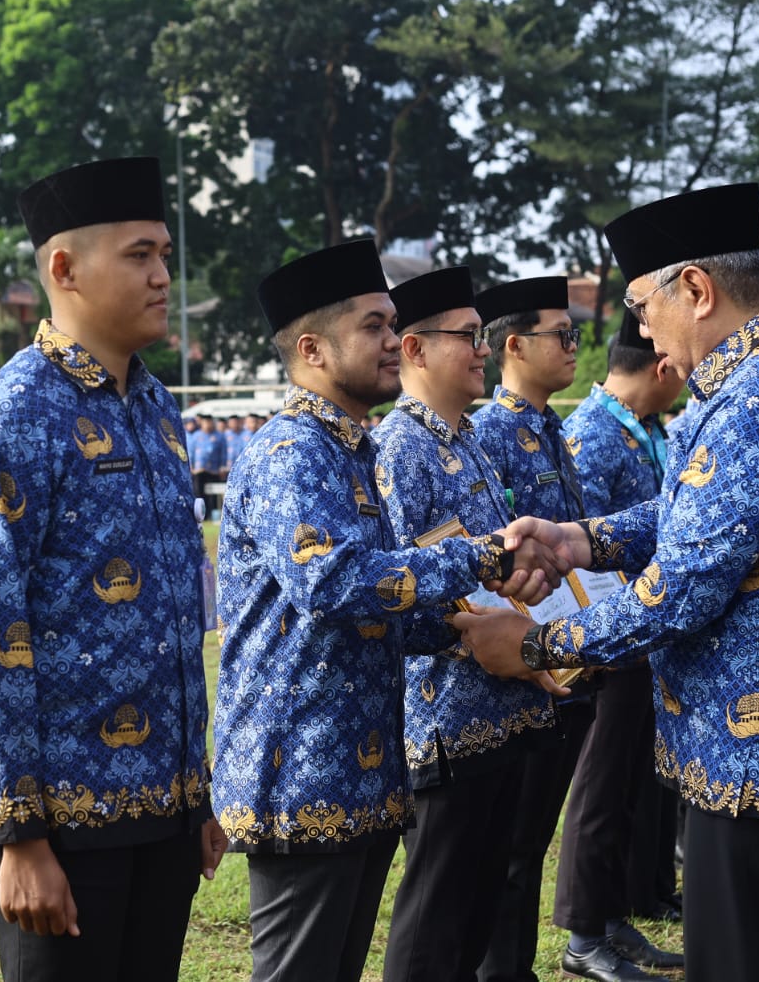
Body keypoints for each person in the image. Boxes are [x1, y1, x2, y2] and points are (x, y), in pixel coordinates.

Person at [463, 183, 759, 982]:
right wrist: (581, 539)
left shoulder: (756, 397)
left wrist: (535, 644)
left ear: (696, 289)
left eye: (641, 304)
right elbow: (703, 516)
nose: (638, 329)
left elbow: (684, 592)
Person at [211, 239, 565, 982]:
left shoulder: (353, 450)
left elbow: (384, 610)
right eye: (373, 326)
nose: (389, 343)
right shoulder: (290, 453)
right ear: (312, 348)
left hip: (360, 769)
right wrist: (478, 560)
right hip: (300, 769)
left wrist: (472, 630)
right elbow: (332, 584)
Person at [0, 157, 224, 981]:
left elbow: (177, 607)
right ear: (64, 269)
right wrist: (18, 836)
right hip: (62, 822)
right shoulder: (12, 412)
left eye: (165, 254)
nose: (164, 276)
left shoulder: (158, 406)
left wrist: (192, 791)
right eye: (139, 255)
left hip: (163, 812)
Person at [370, 267, 561, 982]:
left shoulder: (468, 439)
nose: (482, 351)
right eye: (467, 338)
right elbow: (399, 585)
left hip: (507, 707)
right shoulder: (399, 449)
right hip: (446, 720)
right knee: (436, 917)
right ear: (414, 349)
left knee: (484, 907)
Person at [469, 275, 626, 982]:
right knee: (508, 846)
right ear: (512, 345)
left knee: (531, 840)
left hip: (569, 654)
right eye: (561, 335)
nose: (574, 346)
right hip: (523, 663)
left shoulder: (550, 425)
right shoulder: (492, 431)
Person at [552, 316, 687, 982]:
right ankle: (583, 936)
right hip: (610, 642)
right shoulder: (591, 437)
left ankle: (610, 917)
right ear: (659, 366)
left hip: (647, 638)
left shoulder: (652, 431)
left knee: (631, 786)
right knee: (600, 791)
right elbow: (586, 553)